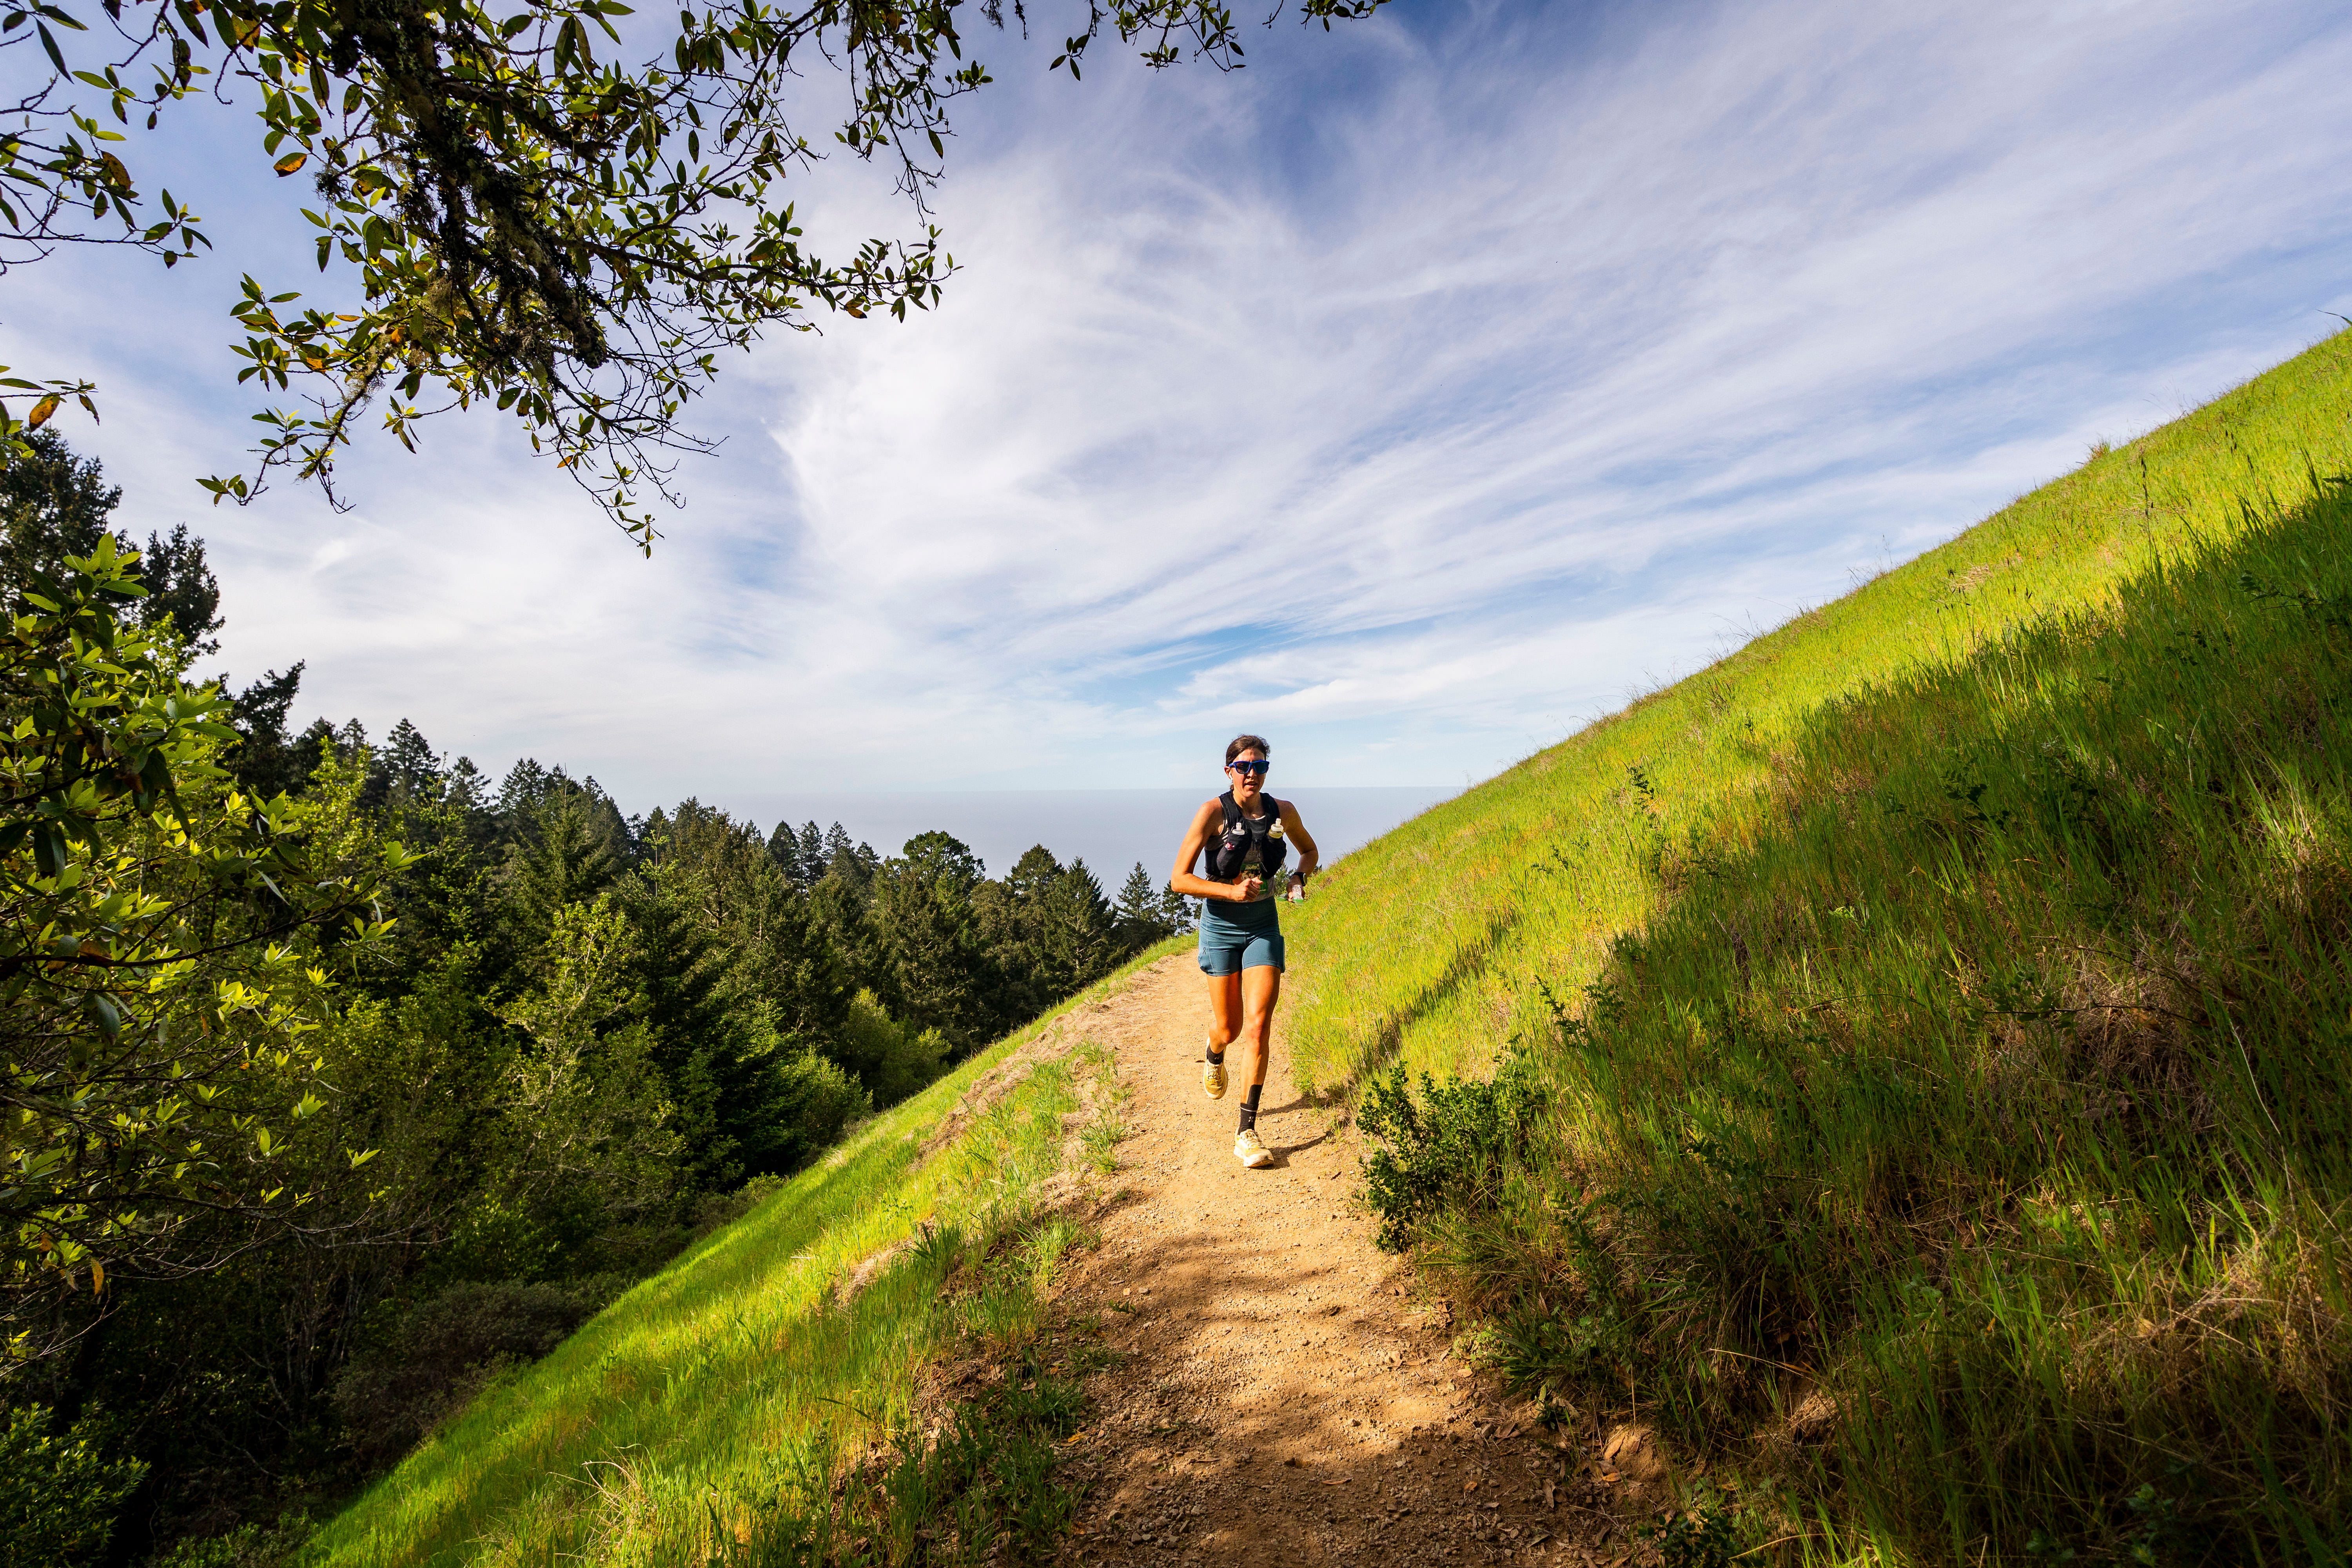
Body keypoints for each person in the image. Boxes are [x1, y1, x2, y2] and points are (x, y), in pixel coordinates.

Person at [1169, 734, 1319, 1168]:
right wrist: (1230, 892)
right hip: (1221, 926)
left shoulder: (1283, 811)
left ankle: (1246, 1132)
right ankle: (1214, 1051)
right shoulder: (1212, 813)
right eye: (1243, 766)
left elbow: (1309, 851)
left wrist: (1298, 878)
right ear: (1229, 771)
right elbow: (1179, 879)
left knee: (1258, 1026)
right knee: (1230, 1028)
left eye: (1260, 766)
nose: (1252, 773)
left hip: (1263, 925)